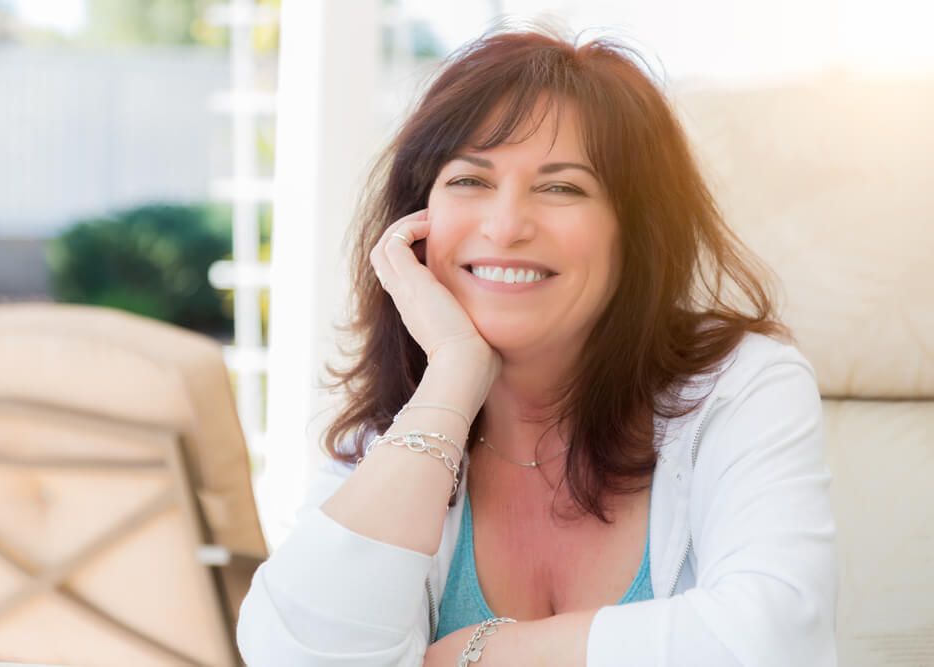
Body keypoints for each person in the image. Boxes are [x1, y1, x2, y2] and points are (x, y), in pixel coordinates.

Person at [236, 26, 837, 667]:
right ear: (417, 220)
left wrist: (482, 653)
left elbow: (778, 641)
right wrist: (452, 378)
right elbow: (296, 654)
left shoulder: (740, 385)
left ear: (636, 231)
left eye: (562, 187)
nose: (505, 226)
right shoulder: (402, 415)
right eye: (469, 180)